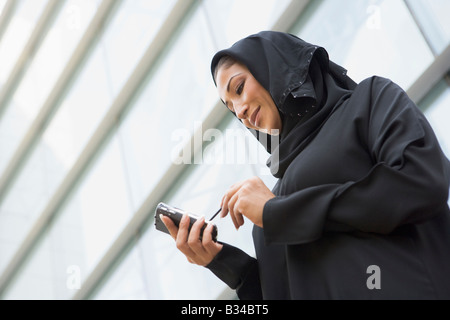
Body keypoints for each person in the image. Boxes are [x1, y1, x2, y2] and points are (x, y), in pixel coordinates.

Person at [161, 31, 450, 299]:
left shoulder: (368, 101)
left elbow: (421, 181)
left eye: (239, 88)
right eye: (231, 109)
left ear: (275, 68)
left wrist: (279, 213)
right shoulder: (269, 210)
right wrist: (224, 263)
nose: (240, 111)